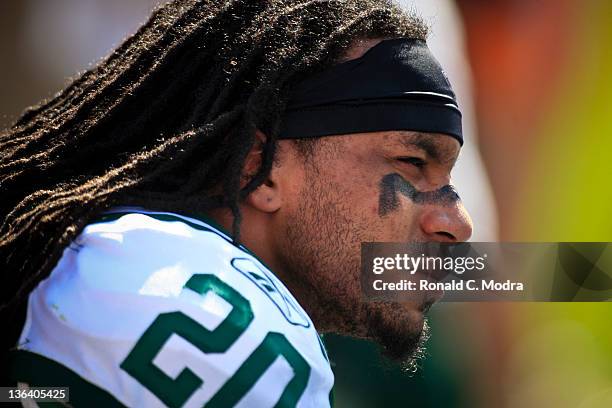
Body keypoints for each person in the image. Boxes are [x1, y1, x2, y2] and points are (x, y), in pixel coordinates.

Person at [0, 0, 472, 406]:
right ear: (260, 170)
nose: (459, 222)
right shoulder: (237, 332)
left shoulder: (88, 249)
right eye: (411, 162)